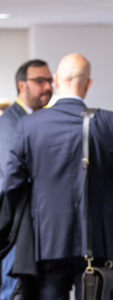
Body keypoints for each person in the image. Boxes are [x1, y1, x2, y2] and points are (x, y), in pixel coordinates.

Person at [2, 53, 113, 300]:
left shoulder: (29, 125)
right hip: (101, 240)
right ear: (88, 84)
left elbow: (11, 184)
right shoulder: (108, 122)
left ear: (55, 80)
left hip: (47, 240)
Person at [0, 59, 52, 300]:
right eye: (39, 81)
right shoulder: (10, 123)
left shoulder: (43, 120)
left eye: (50, 81)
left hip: (42, 231)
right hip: (16, 230)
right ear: (22, 85)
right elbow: (12, 181)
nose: (47, 87)